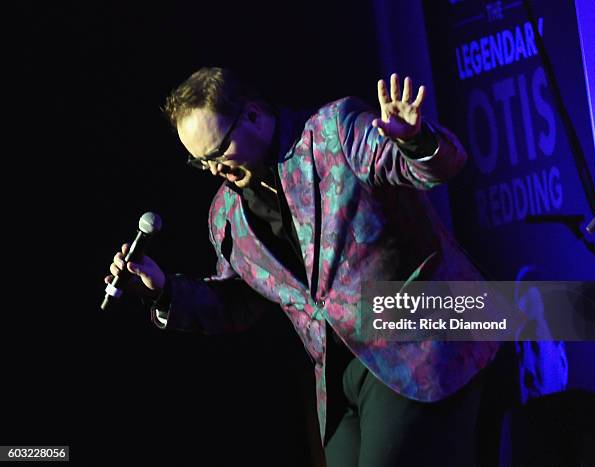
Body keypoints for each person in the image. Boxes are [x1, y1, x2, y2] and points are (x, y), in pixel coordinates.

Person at [105, 67, 501, 466]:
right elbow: (238, 301)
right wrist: (163, 290)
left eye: (218, 151)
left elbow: (422, 165)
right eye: (200, 163)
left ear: (255, 115)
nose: (215, 171)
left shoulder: (332, 132)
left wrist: (414, 142)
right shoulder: (226, 216)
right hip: (339, 380)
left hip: (417, 336)